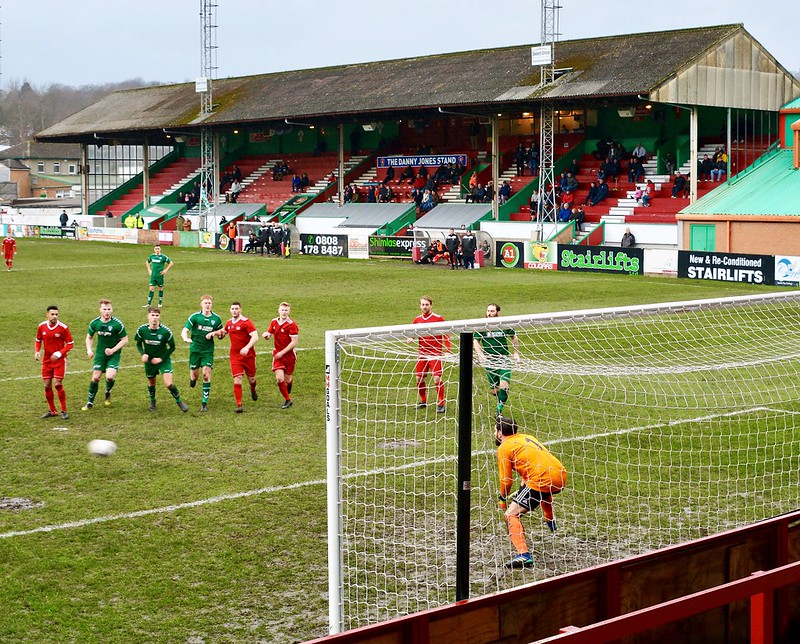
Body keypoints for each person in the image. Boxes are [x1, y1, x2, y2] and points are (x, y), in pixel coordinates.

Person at [495, 416, 567, 568]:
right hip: (560, 475)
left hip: (541, 480)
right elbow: (528, 471)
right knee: (539, 489)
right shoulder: (527, 437)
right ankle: (550, 521)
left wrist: (502, 497)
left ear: (500, 433)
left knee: (510, 515)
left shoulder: (504, 448)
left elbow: (506, 481)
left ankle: (523, 555)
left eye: (495, 430)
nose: (494, 433)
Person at [134, 307, 189, 413]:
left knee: (169, 384)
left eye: (157, 315)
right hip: (150, 361)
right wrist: (143, 354)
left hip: (163, 360)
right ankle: (152, 401)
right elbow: (138, 344)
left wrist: (161, 358)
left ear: (159, 316)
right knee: (151, 383)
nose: (154, 318)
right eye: (152, 315)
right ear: (148, 316)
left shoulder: (165, 332)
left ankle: (179, 401)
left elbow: (172, 347)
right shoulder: (142, 330)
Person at [82, 299, 128, 410]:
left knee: (110, 377)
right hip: (100, 355)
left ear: (112, 310)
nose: (107, 311)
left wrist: (113, 350)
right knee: (95, 378)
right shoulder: (95, 323)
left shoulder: (117, 324)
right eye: (104, 309)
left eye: (109, 309)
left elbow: (125, 340)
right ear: (100, 310)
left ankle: (108, 391)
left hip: (114, 354)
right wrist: (89, 350)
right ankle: (89, 403)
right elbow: (89, 337)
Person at [474, 303, 519, 414]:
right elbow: (476, 341)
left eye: (492, 311)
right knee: (495, 390)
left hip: (504, 359)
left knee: (504, 385)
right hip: (489, 361)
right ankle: (499, 398)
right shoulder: (482, 325)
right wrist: (480, 354)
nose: (489, 313)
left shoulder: (504, 324)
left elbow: (514, 337)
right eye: (488, 311)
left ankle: (499, 411)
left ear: (498, 313)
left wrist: (516, 353)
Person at [181, 294, 223, 412]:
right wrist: (185, 338)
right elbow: (185, 330)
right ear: (201, 304)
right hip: (195, 350)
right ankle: (193, 379)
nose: (207, 305)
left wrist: (216, 334)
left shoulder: (216, 319)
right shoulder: (195, 317)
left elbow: (221, 333)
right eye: (205, 303)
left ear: (212, 304)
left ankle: (204, 403)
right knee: (195, 375)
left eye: (209, 303)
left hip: (207, 351)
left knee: (206, 374)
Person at [215, 302, 259, 413]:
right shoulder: (229, 323)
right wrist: (215, 333)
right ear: (230, 310)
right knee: (237, 379)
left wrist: (247, 347)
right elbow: (224, 331)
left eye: (236, 309)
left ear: (240, 310)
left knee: (252, 379)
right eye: (233, 309)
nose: (234, 311)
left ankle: (253, 389)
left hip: (248, 356)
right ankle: (239, 405)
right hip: (235, 356)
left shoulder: (246, 322)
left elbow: (255, 336)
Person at [409, 296, 449, 413]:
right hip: (422, 353)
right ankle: (423, 401)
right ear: (420, 306)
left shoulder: (438, 319)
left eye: (427, 304)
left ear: (431, 305)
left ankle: (441, 403)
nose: (425, 307)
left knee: (437, 377)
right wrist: (411, 338)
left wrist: (447, 350)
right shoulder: (417, 320)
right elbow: (413, 332)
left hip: (435, 353)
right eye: (423, 305)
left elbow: (446, 334)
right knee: (419, 378)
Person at [35, 305, 74, 420]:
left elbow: (70, 343)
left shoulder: (63, 328)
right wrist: (37, 351)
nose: (54, 316)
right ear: (47, 314)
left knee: (57, 384)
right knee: (47, 386)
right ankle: (52, 410)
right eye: (52, 314)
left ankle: (64, 410)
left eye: (56, 314)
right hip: (47, 361)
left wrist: (60, 353)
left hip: (59, 361)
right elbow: (38, 340)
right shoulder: (41, 326)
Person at [262, 301, 299, 409]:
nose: (284, 312)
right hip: (277, 355)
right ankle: (288, 400)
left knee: (287, 379)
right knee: (279, 378)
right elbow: (269, 334)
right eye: (282, 310)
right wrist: (266, 335)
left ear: (289, 311)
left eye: (286, 310)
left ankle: (289, 383)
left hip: (289, 356)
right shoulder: (274, 322)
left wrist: (282, 352)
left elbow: (294, 342)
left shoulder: (292, 325)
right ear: (279, 311)